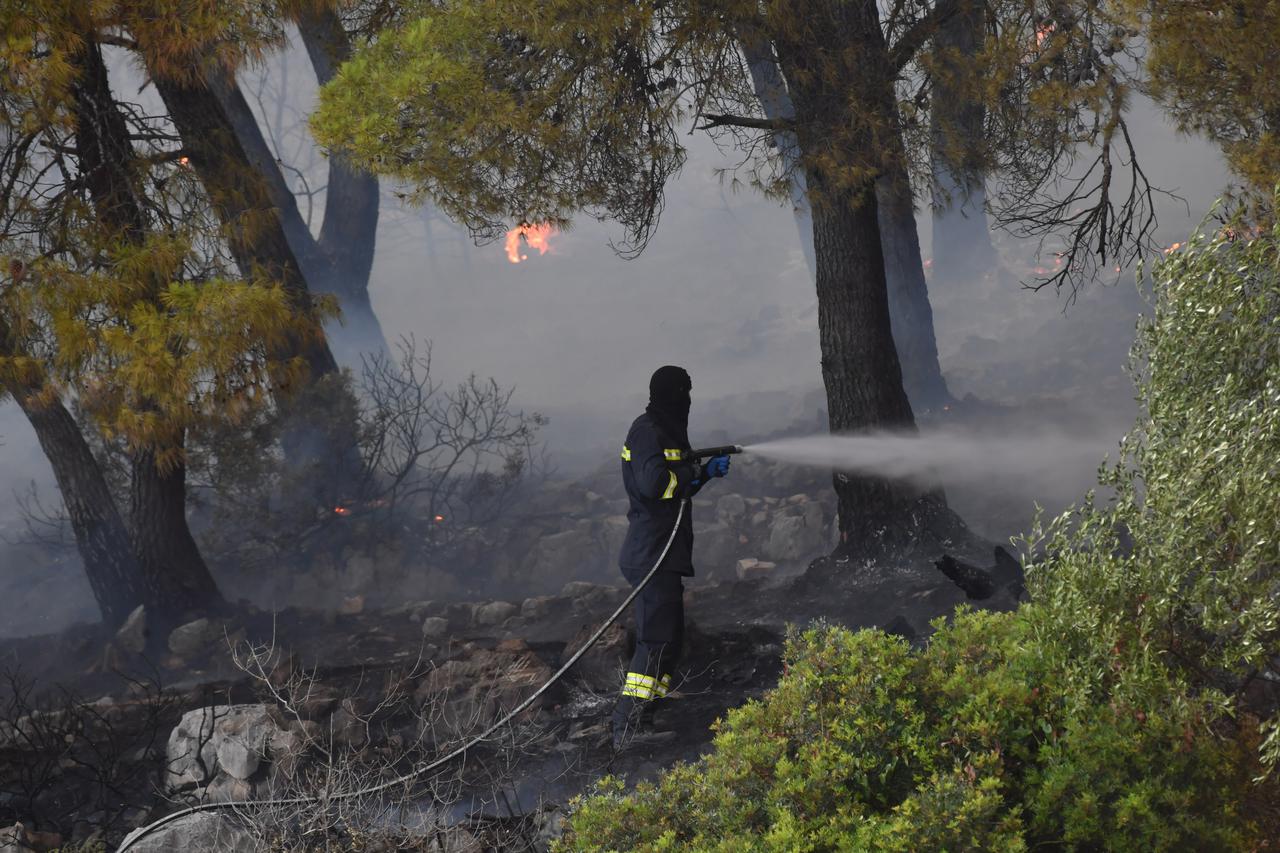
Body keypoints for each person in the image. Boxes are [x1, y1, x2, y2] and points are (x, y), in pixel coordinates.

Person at [610, 365, 731, 749]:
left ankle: (645, 717)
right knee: (655, 642)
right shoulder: (647, 431)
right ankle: (626, 727)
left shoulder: (667, 429)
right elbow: (655, 483)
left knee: (670, 641)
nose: (689, 401)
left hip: (664, 553)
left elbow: (677, 486)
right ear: (672, 393)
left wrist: (705, 474)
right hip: (651, 554)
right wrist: (691, 470)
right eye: (685, 392)